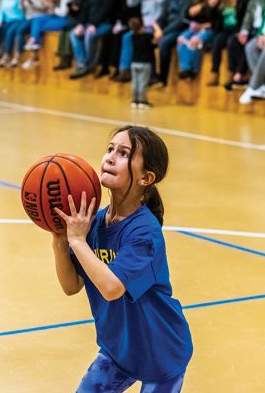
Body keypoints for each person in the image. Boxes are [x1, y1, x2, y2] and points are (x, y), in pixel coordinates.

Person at [51, 125, 193, 392]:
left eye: (124, 153)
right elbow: (71, 286)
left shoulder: (144, 232)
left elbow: (112, 288)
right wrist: (60, 241)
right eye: (110, 149)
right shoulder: (93, 222)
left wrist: (78, 241)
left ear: (146, 178)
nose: (110, 157)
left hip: (161, 351)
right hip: (118, 349)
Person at [206, 0, 249, 86]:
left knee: (231, 42)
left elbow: (245, 17)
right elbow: (213, 20)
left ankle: (232, 72)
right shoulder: (221, 0)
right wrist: (212, 8)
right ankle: (215, 73)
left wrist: (242, 30)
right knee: (216, 42)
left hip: (238, 29)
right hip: (224, 30)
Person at [176, 0, 221, 80]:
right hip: (195, 28)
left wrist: (201, 26)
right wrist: (191, 12)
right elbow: (186, 15)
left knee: (195, 40)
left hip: (209, 29)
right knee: (181, 38)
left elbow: (217, 23)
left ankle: (193, 70)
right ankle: (185, 69)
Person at [239, 0, 265, 105]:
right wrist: (261, 35)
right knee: (250, 47)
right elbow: (264, 21)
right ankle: (262, 86)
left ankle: (253, 86)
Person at [129, 17, 157, 108]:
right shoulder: (147, 36)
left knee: (135, 82)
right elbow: (159, 35)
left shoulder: (133, 37)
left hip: (134, 63)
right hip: (144, 63)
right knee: (142, 83)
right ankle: (142, 101)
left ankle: (135, 100)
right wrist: (154, 24)